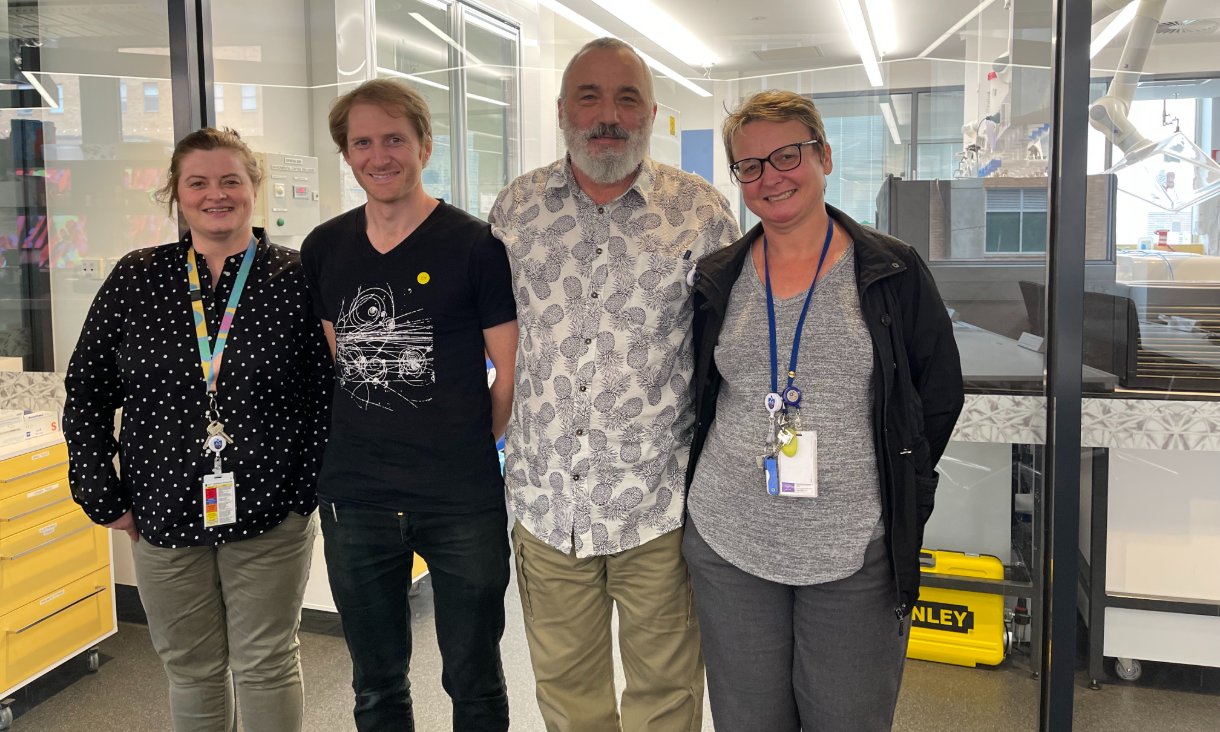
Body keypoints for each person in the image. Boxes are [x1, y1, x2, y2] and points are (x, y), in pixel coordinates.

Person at [683, 89, 965, 731]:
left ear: (825, 155)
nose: (769, 178)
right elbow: (705, 393)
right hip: (731, 542)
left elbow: (938, 393)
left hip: (854, 548)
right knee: (748, 721)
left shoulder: (891, 269)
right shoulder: (718, 277)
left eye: (787, 155)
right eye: (749, 166)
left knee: (848, 718)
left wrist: (901, 489)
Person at [489, 37, 740, 732]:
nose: (608, 115)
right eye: (590, 97)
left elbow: (732, 348)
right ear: (563, 110)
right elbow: (487, 337)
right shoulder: (516, 211)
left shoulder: (702, 211)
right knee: (569, 697)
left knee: (667, 694)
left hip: (658, 503)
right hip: (546, 501)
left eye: (626, 98)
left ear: (651, 113)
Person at [63, 127, 332, 732]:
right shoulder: (137, 278)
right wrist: (102, 494)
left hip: (270, 508)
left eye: (231, 180)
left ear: (254, 188)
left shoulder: (295, 278)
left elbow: (327, 394)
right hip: (160, 507)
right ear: (176, 195)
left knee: (265, 662)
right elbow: (86, 389)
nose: (217, 195)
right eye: (199, 183)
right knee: (191, 668)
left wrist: (303, 492)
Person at [301, 78, 517, 732]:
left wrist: (471, 447)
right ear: (346, 155)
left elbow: (509, 372)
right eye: (362, 142)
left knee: (473, 677)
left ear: (424, 144)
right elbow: (342, 361)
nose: (379, 154)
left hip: (461, 499)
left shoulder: (476, 245)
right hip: (356, 497)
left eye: (394, 138)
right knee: (376, 683)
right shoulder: (325, 248)